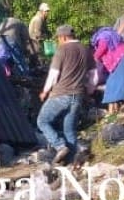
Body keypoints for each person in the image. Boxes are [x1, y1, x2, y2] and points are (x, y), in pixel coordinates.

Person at [37, 24, 95, 165]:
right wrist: (90, 88)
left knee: (42, 121)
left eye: (58, 38)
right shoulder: (85, 49)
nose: (58, 41)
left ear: (63, 37)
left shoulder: (62, 50)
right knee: (69, 129)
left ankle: (59, 146)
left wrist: (45, 91)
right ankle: (75, 160)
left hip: (61, 93)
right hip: (78, 95)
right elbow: (94, 73)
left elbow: (53, 74)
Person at [91, 26, 124, 115]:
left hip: (120, 59)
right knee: (115, 83)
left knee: (112, 84)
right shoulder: (112, 34)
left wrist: (94, 57)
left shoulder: (103, 36)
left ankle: (112, 112)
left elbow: (102, 47)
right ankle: (115, 109)